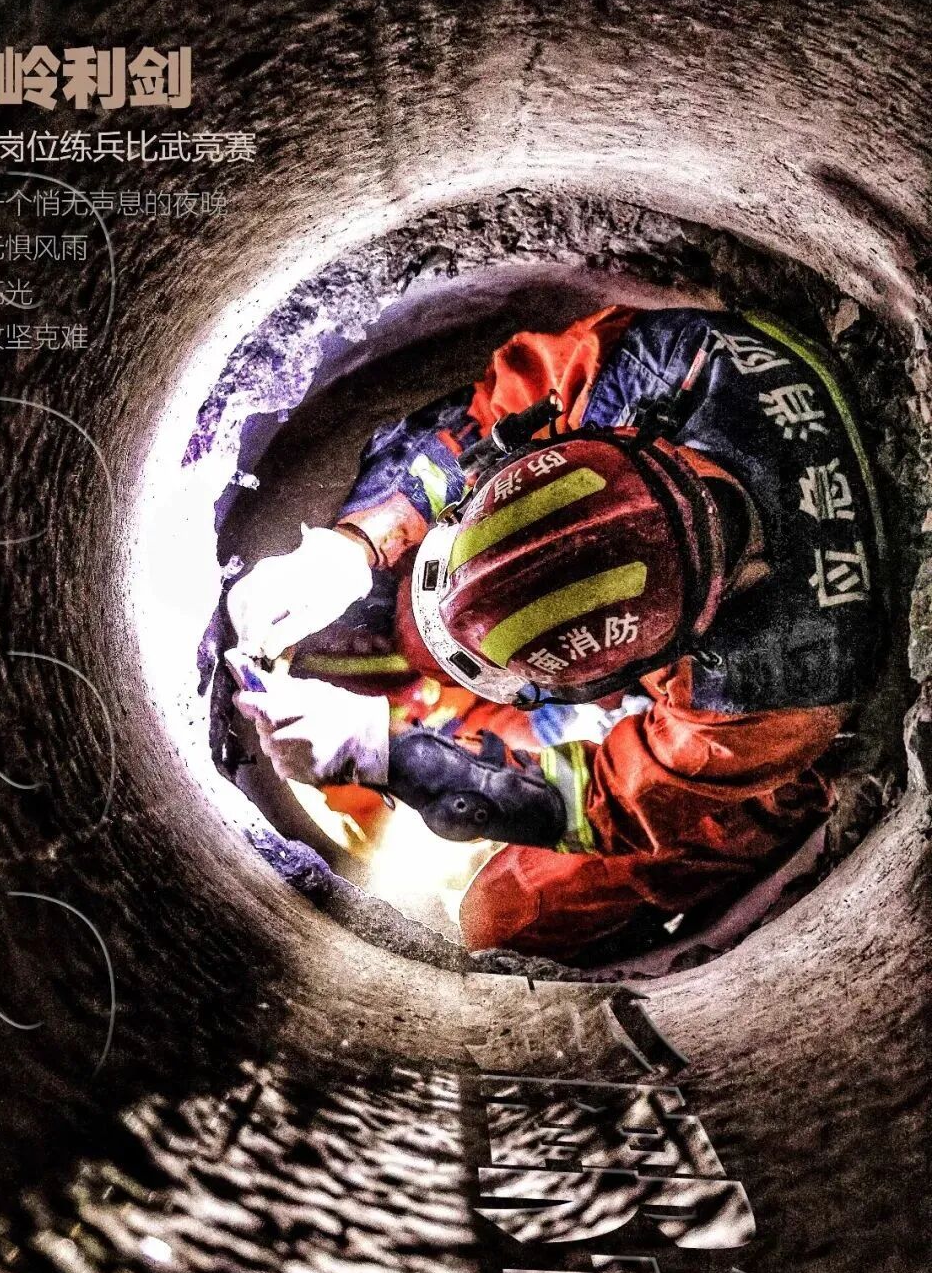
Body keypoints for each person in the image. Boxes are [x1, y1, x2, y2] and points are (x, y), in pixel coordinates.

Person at [225, 304, 884, 964]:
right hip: (695, 599)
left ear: (633, 672)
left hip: (750, 765)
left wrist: (395, 760)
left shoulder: (773, 691)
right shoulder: (655, 368)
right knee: (422, 639)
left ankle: (769, 827)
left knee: (501, 913)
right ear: (573, 452)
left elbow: (607, 802)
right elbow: (491, 421)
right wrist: (358, 540)